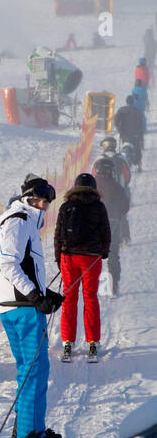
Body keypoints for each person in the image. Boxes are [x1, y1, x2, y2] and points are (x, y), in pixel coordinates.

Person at [0, 175, 65, 438]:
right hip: (21, 307)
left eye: (46, 201)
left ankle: (29, 428)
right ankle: (30, 436)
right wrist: (35, 297)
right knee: (35, 369)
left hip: (18, 303)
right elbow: (8, 265)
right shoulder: (19, 221)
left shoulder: (23, 222)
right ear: (25, 197)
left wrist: (44, 293)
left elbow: (24, 269)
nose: (42, 205)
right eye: (37, 199)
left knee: (30, 369)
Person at [54, 173, 109, 362]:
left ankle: (67, 342)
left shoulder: (66, 206)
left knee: (69, 299)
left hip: (69, 257)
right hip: (91, 260)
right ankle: (93, 342)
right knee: (90, 298)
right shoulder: (98, 206)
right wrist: (104, 252)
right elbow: (106, 232)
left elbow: (58, 234)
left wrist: (58, 259)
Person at [92, 158, 129, 295]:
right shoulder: (117, 186)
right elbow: (125, 206)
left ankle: (92, 285)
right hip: (112, 224)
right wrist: (117, 215)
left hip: (94, 226)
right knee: (113, 255)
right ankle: (114, 285)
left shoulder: (91, 186)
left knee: (92, 256)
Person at [114, 94, 146, 174]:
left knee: (123, 148)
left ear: (126, 101)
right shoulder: (137, 111)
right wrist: (139, 132)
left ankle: (124, 164)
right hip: (135, 134)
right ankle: (138, 163)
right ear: (133, 102)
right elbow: (140, 123)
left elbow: (116, 120)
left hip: (124, 134)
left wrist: (118, 127)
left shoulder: (121, 110)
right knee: (137, 148)